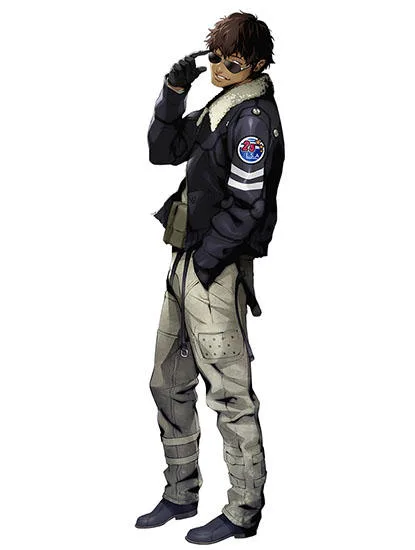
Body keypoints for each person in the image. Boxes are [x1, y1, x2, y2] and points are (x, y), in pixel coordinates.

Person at [135, 11, 285, 545]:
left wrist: (205, 263)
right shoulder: (219, 109)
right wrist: (173, 93)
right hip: (185, 261)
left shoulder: (251, 120)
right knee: (168, 380)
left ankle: (243, 511)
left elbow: (248, 205)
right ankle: (180, 492)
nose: (220, 69)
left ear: (258, 65)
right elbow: (163, 151)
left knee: (229, 394)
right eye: (216, 58)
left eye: (234, 62)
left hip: (211, 270)